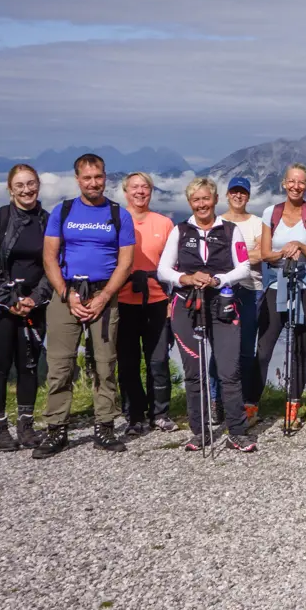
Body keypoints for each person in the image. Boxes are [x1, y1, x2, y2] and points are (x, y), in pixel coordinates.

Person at [34, 153, 136, 459]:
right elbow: (49, 257)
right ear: (78, 179)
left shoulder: (119, 215)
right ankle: (56, 429)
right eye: (88, 178)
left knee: (105, 364)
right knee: (60, 364)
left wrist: (104, 297)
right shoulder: (63, 211)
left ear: (106, 177)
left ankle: (104, 426)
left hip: (105, 293)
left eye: (99, 177)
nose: (94, 183)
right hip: (67, 294)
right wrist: (66, 294)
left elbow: (126, 261)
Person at [157, 178, 257, 452]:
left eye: (206, 199)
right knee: (194, 373)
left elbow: (244, 268)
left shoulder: (229, 230)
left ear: (214, 200)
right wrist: (186, 278)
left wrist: (218, 279)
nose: (201, 204)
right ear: (190, 203)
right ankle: (199, 432)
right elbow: (163, 270)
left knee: (229, 371)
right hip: (186, 306)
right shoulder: (180, 230)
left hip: (222, 305)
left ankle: (237, 432)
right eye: (195, 200)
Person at [0, 164, 51, 451]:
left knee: (29, 366)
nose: (27, 190)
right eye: (20, 185)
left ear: (39, 185)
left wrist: (36, 299)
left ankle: (26, 427)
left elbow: (53, 267)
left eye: (31, 184)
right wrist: (9, 300)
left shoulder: (47, 221)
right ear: (10, 189)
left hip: (33, 307)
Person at [256, 163, 306, 429]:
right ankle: (251, 403)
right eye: (292, 182)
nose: (296, 187)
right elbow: (264, 253)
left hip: (305, 286)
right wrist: (287, 252)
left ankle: (292, 406)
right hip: (276, 285)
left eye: (301, 183)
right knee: (264, 348)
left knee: (299, 349)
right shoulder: (270, 213)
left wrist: (300, 246)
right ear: (284, 183)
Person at [116, 172, 176, 436]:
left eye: (145, 187)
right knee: (128, 360)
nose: (140, 192)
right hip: (123, 299)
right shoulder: (117, 220)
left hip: (157, 298)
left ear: (151, 191)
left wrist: (173, 299)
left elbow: (174, 263)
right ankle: (134, 414)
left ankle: (160, 413)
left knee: (158, 359)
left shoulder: (164, 224)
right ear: (125, 191)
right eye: (135, 187)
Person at [213, 176, 265, 422]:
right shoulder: (217, 222)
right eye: (234, 191)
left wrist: (231, 258)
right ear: (227, 195)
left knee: (246, 349)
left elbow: (262, 253)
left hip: (251, 289)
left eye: (242, 192)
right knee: (219, 348)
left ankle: (244, 401)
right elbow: (213, 257)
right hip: (221, 290)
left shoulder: (257, 223)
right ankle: (217, 400)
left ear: (248, 196)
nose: (238, 196)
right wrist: (245, 254)